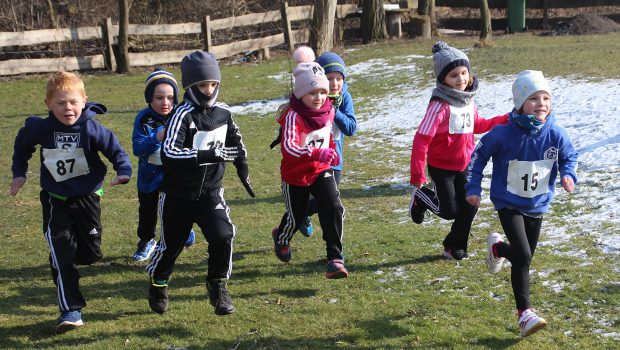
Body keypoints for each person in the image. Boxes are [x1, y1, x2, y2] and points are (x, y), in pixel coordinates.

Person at [10, 71, 132, 332]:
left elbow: (116, 151)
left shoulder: (92, 128)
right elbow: (22, 146)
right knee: (63, 252)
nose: (68, 108)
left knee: (91, 253)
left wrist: (124, 172)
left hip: (88, 198)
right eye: (61, 103)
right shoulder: (40, 129)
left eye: (74, 102)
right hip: (57, 201)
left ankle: (65, 258)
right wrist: (19, 172)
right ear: (48, 104)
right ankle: (70, 310)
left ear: (84, 101)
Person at [465, 70, 578, 337]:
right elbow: (477, 157)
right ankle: (525, 314)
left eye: (545, 98)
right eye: (534, 98)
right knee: (524, 256)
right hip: (508, 203)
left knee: (522, 257)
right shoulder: (503, 133)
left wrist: (568, 175)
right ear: (520, 104)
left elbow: (569, 156)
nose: (541, 104)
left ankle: (497, 249)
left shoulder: (555, 134)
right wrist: (473, 187)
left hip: (537, 204)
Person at [145, 51, 254, 316]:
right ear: (190, 86)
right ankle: (158, 282)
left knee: (224, 235)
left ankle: (217, 285)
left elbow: (236, 143)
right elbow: (169, 153)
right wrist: (207, 155)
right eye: (202, 85)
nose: (208, 90)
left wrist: (243, 167)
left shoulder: (224, 113)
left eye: (213, 84)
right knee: (171, 247)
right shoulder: (181, 115)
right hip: (177, 196)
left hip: (210, 193)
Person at [409, 41, 508, 260]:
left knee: (471, 204)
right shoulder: (439, 106)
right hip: (441, 167)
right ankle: (421, 197)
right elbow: (421, 139)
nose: (461, 79)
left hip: (465, 164)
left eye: (464, 72)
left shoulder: (467, 101)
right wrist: (417, 174)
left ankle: (455, 246)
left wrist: (503, 120)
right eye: (454, 75)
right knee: (449, 211)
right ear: (443, 79)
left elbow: (478, 125)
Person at [272, 62, 347, 279]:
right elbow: (289, 148)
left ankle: (335, 258)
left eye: (323, 92)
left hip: (321, 170)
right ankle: (282, 238)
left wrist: (332, 151)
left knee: (333, 206)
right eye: (312, 92)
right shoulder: (293, 116)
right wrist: (316, 153)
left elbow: (329, 137)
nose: (319, 97)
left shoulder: (329, 111)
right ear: (300, 93)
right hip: (295, 175)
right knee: (296, 216)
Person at [131, 68, 195, 262]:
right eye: (159, 98)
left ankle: (184, 231)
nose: (165, 103)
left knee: (178, 207)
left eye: (170, 97)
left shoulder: (181, 114)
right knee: (148, 210)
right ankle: (146, 241)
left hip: (174, 174)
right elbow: (137, 148)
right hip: (149, 175)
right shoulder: (143, 119)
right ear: (149, 98)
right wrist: (157, 136)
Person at [299, 52, 356, 237]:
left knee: (328, 201)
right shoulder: (312, 98)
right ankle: (298, 216)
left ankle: (300, 213)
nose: (335, 84)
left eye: (339, 78)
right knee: (328, 202)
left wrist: (334, 111)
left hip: (334, 160)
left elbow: (351, 128)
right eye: (330, 78)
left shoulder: (345, 98)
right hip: (312, 159)